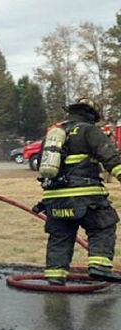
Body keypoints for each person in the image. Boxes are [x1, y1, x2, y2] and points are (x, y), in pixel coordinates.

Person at [38, 98, 121, 285]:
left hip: (54, 197)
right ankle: (99, 266)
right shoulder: (89, 131)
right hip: (85, 194)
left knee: (60, 235)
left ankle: (55, 275)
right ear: (92, 115)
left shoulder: (54, 134)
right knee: (103, 225)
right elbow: (111, 159)